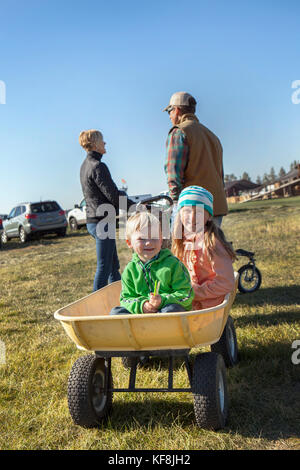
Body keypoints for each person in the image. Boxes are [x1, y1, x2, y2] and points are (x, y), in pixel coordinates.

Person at [79, 129, 135, 291]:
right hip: (102, 222)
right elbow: (113, 196)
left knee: (112, 265)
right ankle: (95, 307)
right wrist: (136, 207)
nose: (105, 143)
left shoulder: (84, 166)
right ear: (95, 144)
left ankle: (119, 298)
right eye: (102, 140)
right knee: (104, 267)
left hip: (94, 221)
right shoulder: (98, 166)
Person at [110, 211, 194, 315]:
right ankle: (137, 330)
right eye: (142, 238)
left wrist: (162, 300)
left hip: (167, 314)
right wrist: (142, 305)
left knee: (171, 310)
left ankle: (161, 328)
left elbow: (186, 294)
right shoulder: (130, 270)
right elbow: (126, 299)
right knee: (116, 312)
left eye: (154, 237)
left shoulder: (173, 264)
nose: (149, 242)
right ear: (129, 242)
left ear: (161, 240)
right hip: (141, 317)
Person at [163, 91, 227, 227]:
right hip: (216, 206)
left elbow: (173, 173)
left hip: (192, 208)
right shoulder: (212, 136)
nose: (169, 115)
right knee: (210, 247)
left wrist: (176, 205)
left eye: (169, 110)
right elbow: (220, 176)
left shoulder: (179, 132)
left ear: (177, 110)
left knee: (187, 248)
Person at [172, 186, 236, 310]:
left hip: (209, 305)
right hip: (188, 300)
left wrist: (194, 293)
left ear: (209, 216)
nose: (192, 217)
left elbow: (226, 283)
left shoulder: (212, 244)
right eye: (187, 211)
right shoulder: (181, 241)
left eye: (199, 212)